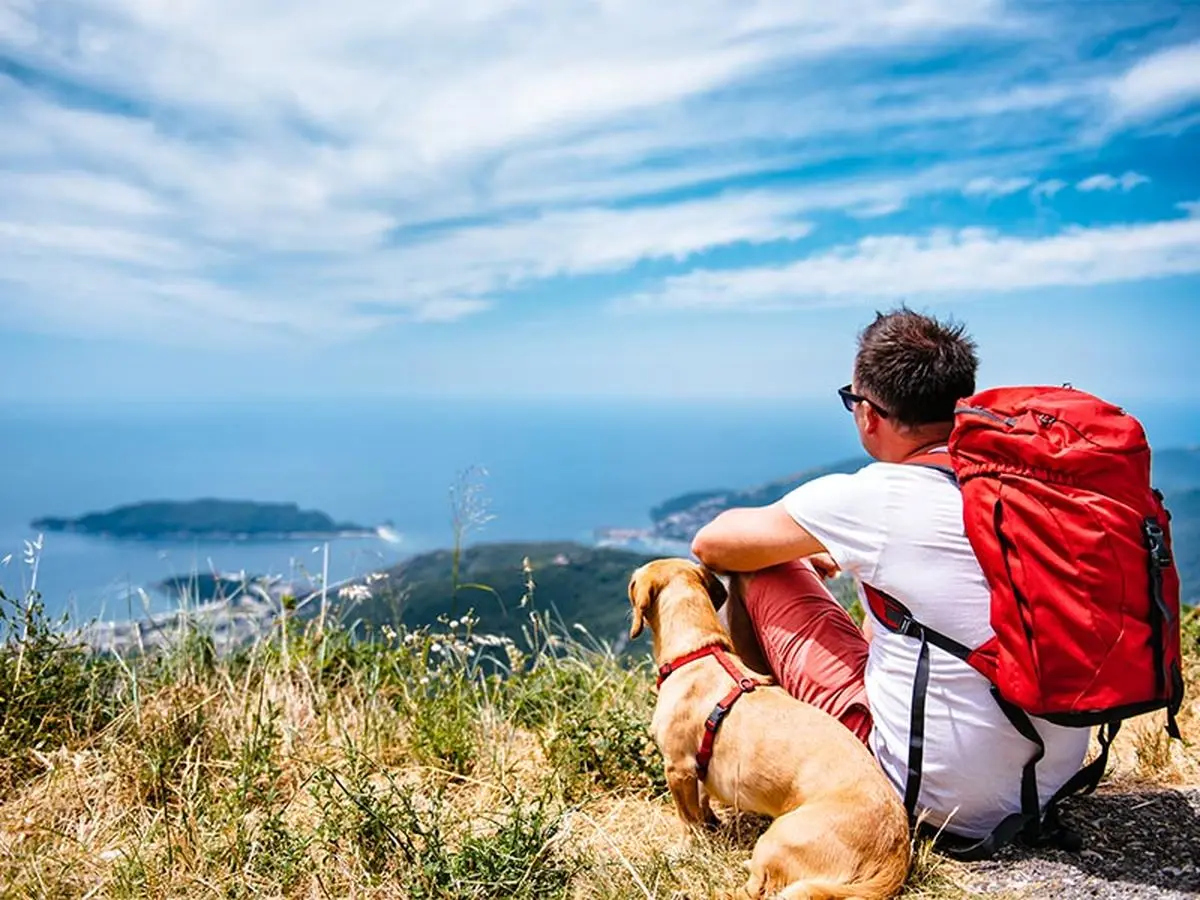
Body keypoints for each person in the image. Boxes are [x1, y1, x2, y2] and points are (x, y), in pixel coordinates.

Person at [690, 306, 1091, 841]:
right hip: (1049, 778)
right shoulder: (1027, 485)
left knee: (759, 570)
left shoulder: (876, 495)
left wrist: (793, 551)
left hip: (935, 796)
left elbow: (713, 544)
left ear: (868, 413)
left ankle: (768, 749)